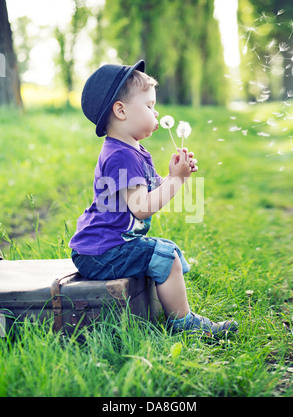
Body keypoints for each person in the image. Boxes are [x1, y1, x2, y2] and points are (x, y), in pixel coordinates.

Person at [69, 60, 238, 338]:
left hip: (109, 246)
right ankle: (183, 323)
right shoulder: (120, 155)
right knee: (164, 255)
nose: (155, 111)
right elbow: (142, 208)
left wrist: (173, 176)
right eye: (149, 106)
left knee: (164, 253)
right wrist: (176, 180)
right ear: (121, 111)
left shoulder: (132, 149)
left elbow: (148, 191)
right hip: (99, 252)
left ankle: (170, 311)